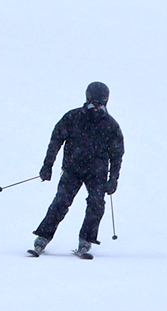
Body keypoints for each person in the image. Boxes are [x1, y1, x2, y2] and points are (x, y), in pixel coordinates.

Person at [30, 82, 124, 258]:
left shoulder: (111, 125)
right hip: (72, 169)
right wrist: (47, 166)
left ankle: (85, 240)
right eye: (93, 102)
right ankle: (43, 237)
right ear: (87, 99)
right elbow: (55, 141)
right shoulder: (73, 117)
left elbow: (117, 155)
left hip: (97, 173)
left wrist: (113, 179)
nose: (96, 107)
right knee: (61, 202)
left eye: (100, 103)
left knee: (96, 204)